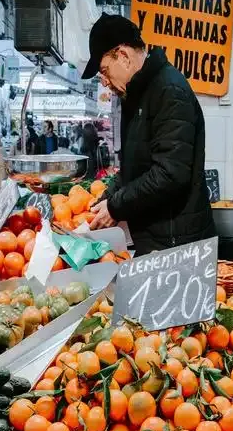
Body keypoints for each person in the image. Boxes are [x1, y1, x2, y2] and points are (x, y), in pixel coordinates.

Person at [82, 14, 215, 254]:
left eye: (104, 70)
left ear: (122, 56)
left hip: (177, 244)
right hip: (157, 238)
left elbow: (170, 173)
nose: (103, 82)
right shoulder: (136, 94)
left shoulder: (168, 90)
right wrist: (108, 197)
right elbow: (136, 167)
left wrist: (116, 207)